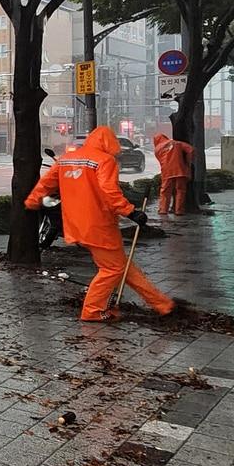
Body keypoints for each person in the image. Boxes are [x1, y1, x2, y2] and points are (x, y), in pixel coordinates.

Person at [25, 126, 175, 322]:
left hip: (77, 225)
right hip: (99, 225)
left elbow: (45, 184)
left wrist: (32, 201)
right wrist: (131, 212)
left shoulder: (66, 159)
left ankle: (162, 304)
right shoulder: (105, 161)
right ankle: (93, 311)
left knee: (121, 266)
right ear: (109, 142)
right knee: (112, 269)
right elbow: (109, 192)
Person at [153, 133, 195, 215]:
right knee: (180, 190)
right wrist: (187, 162)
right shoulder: (176, 143)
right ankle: (179, 210)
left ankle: (163, 210)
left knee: (165, 191)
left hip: (166, 171)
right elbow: (191, 150)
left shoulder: (157, 149)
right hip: (180, 170)